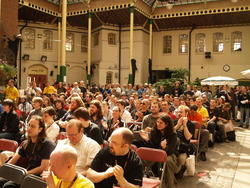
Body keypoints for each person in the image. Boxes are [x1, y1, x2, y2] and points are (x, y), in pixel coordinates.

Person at [0, 116, 56, 188]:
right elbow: (13, 160)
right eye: (29, 125)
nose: (29, 128)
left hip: (38, 178)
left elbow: (43, 168)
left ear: (40, 129)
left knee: (8, 186)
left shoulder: (47, 144)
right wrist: (5, 168)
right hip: (27, 174)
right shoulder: (26, 143)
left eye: (33, 126)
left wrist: (24, 173)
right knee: (1, 181)